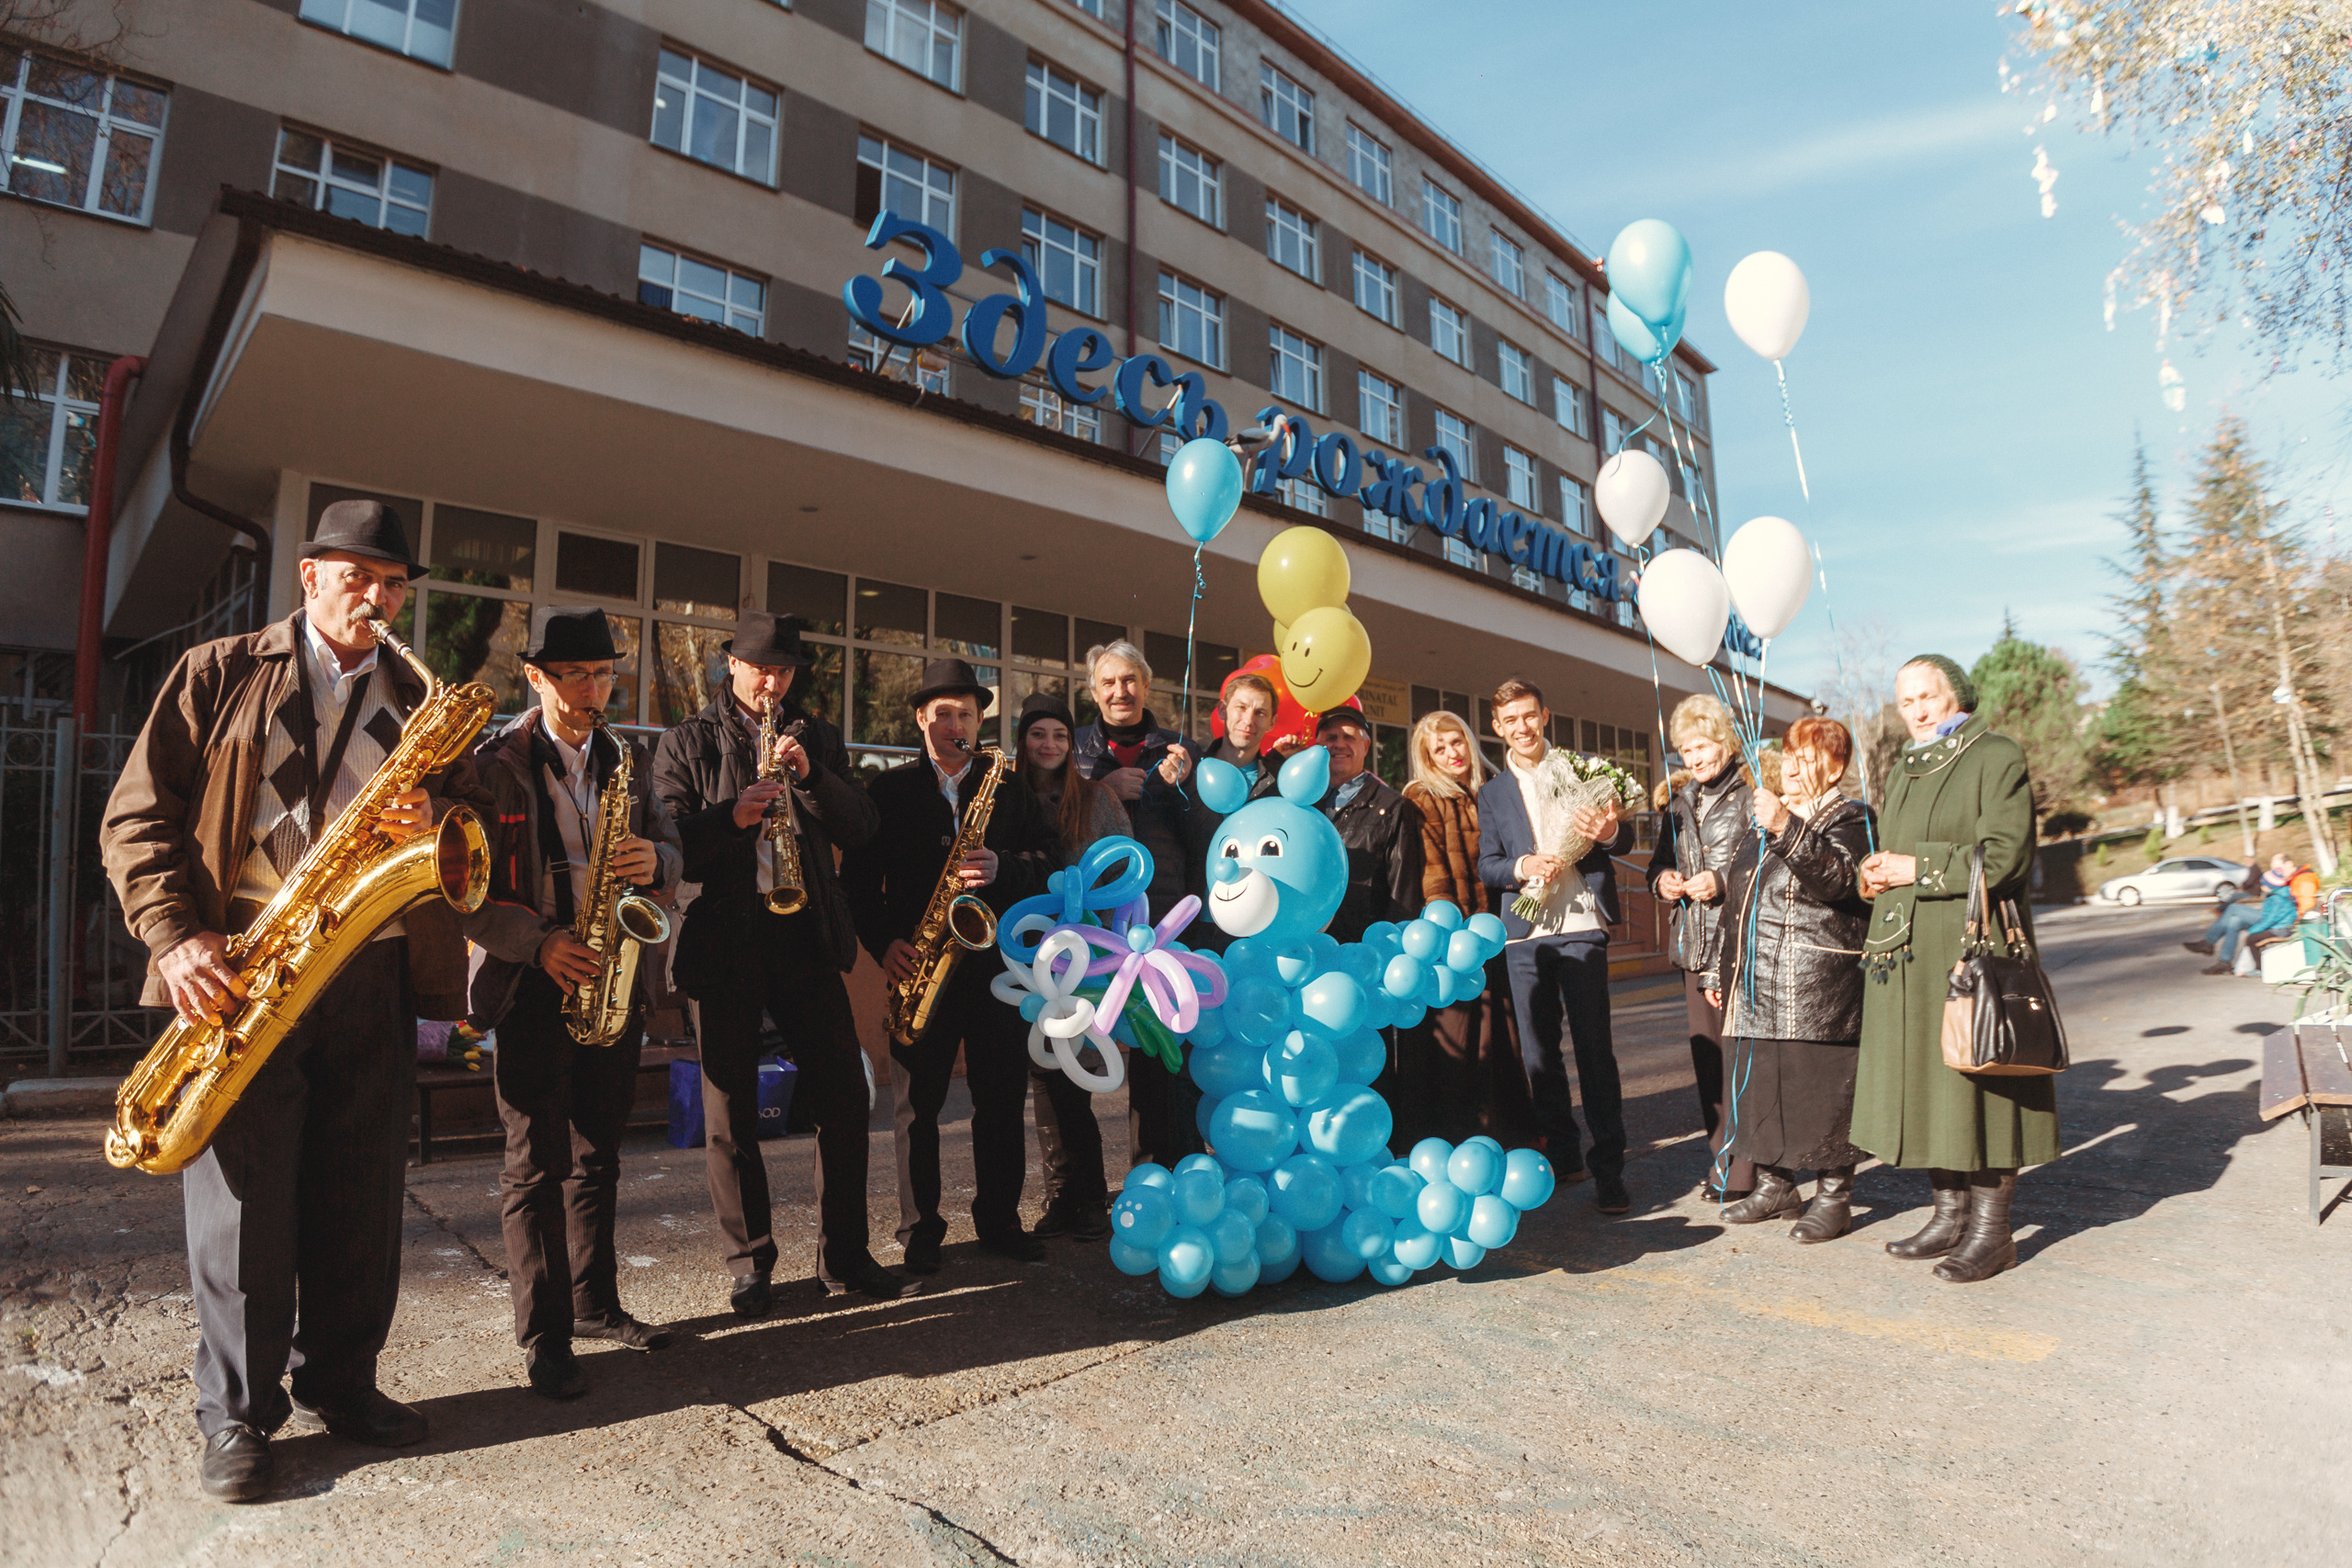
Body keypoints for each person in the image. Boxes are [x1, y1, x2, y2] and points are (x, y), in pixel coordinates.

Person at [98, 501, 493, 1502]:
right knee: (243, 1208)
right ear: (308, 577)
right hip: (243, 965)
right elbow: (138, 817)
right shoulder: (218, 671)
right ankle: (236, 1416)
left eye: (395, 583)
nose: (379, 596)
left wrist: (439, 809)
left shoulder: (420, 695)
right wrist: (174, 937)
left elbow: (480, 826)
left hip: (374, 966)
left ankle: (344, 1384)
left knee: (362, 1194)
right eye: (358, 575)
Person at [650, 611, 908, 1317]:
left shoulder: (815, 734)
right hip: (722, 939)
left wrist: (813, 774)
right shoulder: (687, 741)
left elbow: (861, 826)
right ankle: (751, 1264)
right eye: (761, 667)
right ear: (730, 663)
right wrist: (731, 818)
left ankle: (846, 1257)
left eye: (785, 671)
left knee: (844, 1098)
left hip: (803, 937)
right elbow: (667, 843)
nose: (773, 682)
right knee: (730, 1111)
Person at [459, 609, 685, 1398]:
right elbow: (465, 889)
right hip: (531, 983)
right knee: (534, 1166)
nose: (593, 693)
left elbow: (674, 848)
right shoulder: (493, 764)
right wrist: (540, 942)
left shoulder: (630, 755)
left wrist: (655, 855)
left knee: (600, 1155)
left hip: (611, 977)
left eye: (603, 676)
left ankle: (595, 1302)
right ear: (537, 678)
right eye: (576, 677)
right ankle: (545, 1336)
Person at [842, 659, 1061, 1272]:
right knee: (917, 1108)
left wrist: (1006, 869)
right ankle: (920, 1228)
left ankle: (999, 1219)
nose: (954, 723)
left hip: (994, 970)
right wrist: (884, 942)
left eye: (966, 713)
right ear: (920, 718)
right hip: (919, 967)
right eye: (942, 713)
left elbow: (1052, 861)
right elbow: (858, 882)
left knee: (1000, 1098)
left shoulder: (1008, 787)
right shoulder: (887, 792)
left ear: (979, 719)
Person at [1855, 654, 2060, 1284]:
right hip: (1908, 952)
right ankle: (1949, 1213)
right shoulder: (1903, 769)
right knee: (1927, 1087)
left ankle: (1992, 1233)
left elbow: (2004, 857)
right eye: (1905, 700)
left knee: (1982, 1086)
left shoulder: (1995, 754)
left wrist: (1914, 867)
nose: (1915, 710)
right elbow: (1895, 855)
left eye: (1926, 696)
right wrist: (1872, 875)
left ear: (1956, 696)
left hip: (1969, 949)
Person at [1476, 679, 1637, 1214]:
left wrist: (1610, 829)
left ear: (1544, 716)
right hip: (1525, 938)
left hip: (1581, 925)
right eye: (1510, 720)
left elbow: (1623, 842)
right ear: (1497, 728)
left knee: (1595, 1052)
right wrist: (1523, 867)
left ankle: (1610, 1171)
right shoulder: (1493, 792)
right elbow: (1488, 865)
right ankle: (1565, 1155)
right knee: (1541, 1056)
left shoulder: (1581, 769)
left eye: (1529, 716)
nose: (1522, 727)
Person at [1712, 717, 1875, 1240]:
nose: (1794, 765)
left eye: (1809, 756)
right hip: (1756, 975)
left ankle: (1834, 1194)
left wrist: (1786, 825)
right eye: (1789, 754)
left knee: (1821, 1088)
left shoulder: (1853, 817)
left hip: (1817, 978)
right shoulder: (1761, 821)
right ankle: (1775, 1184)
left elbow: (1839, 880)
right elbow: (1737, 901)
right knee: (1762, 1085)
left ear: (1837, 766)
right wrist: (1722, 967)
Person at [1070, 639, 1199, 1168]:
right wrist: (1099, 787)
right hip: (1089, 922)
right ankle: (1078, 1190)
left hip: (1161, 923)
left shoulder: (1180, 750)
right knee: (1075, 1054)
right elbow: (1052, 817)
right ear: (1094, 692)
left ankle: (1166, 1169)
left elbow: (1205, 837)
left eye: (1130, 681)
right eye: (1109, 682)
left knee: (1162, 1053)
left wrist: (1180, 789)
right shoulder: (1073, 747)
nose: (1120, 691)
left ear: (1147, 686)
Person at [1012, 692, 1125, 1240]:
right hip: (1021, 956)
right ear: (1023, 740)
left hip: (1083, 956)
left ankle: (1090, 1200)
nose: (1049, 745)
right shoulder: (1006, 797)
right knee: (1041, 1076)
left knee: (1072, 1075)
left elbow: (1125, 869)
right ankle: (1061, 1196)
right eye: (1039, 735)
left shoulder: (1098, 798)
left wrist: (1102, 938)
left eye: (1059, 735)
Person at [1396, 710, 1532, 1148]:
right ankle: (1451, 1137)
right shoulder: (1422, 796)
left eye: (1456, 742)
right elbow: (1431, 873)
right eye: (1440, 748)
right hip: (1451, 944)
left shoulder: (1483, 792)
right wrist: (1450, 933)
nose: (1452, 753)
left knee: (1497, 1039)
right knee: (1457, 1045)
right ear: (1427, 757)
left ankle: (1504, 1133)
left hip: (1494, 935)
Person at [1646, 694, 1757, 1204]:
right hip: (1695, 945)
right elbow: (1657, 864)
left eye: (1703, 744)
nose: (1694, 758)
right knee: (1710, 1063)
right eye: (1686, 750)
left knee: (1745, 1058)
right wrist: (1663, 880)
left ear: (1725, 741)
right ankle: (1724, 1161)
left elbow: (1767, 861)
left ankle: (1753, 1168)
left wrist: (1723, 880)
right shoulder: (1679, 802)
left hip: (1742, 946)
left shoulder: (1753, 790)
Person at [1315, 705, 1423, 945]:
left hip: (1364, 954)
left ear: (1365, 746)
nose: (1339, 744)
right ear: (1316, 747)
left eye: (1349, 737)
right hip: (1306, 951)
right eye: (1331, 737)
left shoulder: (1394, 807)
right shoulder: (1302, 805)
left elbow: (1404, 895)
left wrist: (1390, 951)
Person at [2187, 853, 2294, 973]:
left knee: (2233, 908)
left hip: (2271, 922)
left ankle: (2208, 942)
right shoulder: (2277, 892)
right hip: (2269, 917)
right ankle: (2224, 962)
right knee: (2234, 921)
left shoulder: (2279, 894)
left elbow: (2270, 919)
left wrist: (2252, 931)